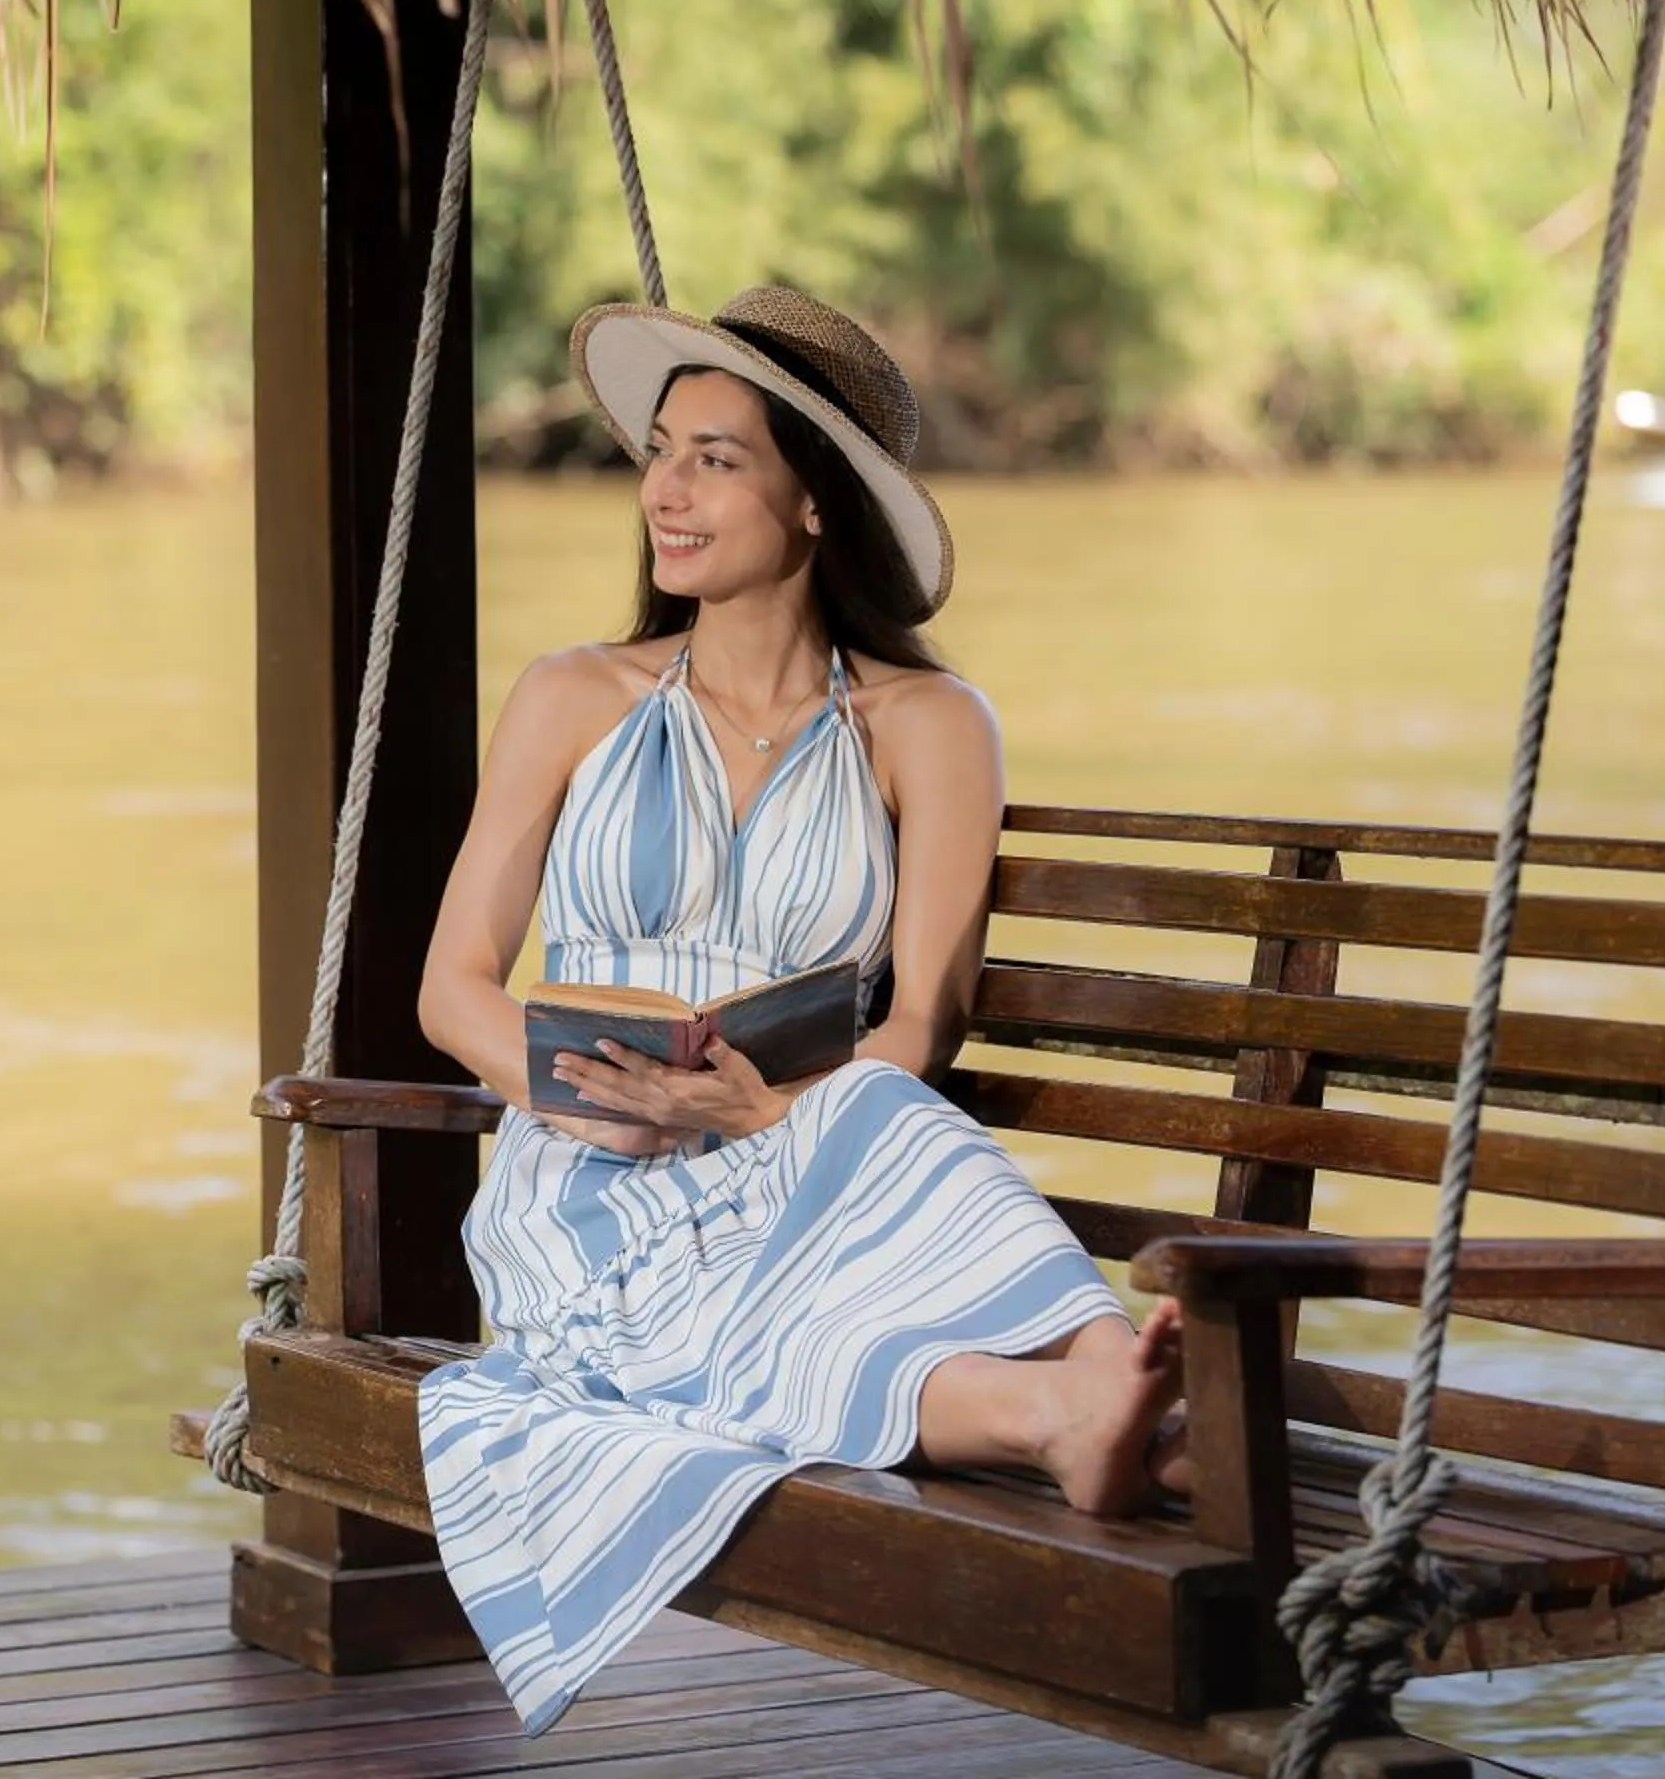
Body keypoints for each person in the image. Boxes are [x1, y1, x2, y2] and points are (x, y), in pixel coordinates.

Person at [413, 286, 1188, 1734]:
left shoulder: (932, 726)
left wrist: (764, 1116)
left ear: (815, 499)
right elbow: (451, 986)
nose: (665, 489)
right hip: (586, 1178)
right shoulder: (571, 697)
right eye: (660, 451)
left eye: (716, 456)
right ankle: (1087, 1402)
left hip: (813, 1148)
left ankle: (1087, 1396)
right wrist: (587, 1096)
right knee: (785, 1282)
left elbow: (918, 1028)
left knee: (874, 1117)